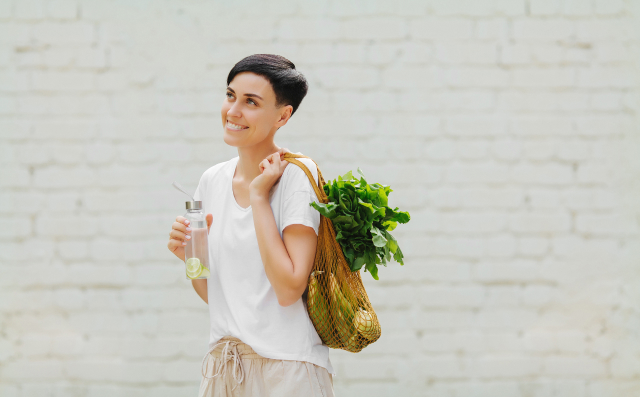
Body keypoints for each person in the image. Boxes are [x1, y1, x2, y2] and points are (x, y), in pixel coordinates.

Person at [166, 54, 335, 396]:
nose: (233, 111)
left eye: (251, 102)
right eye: (231, 96)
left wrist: (259, 198)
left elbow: (288, 289)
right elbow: (219, 297)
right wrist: (190, 259)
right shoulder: (212, 180)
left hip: (285, 371)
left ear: (282, 116)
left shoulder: (298, 177)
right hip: (224, 368)